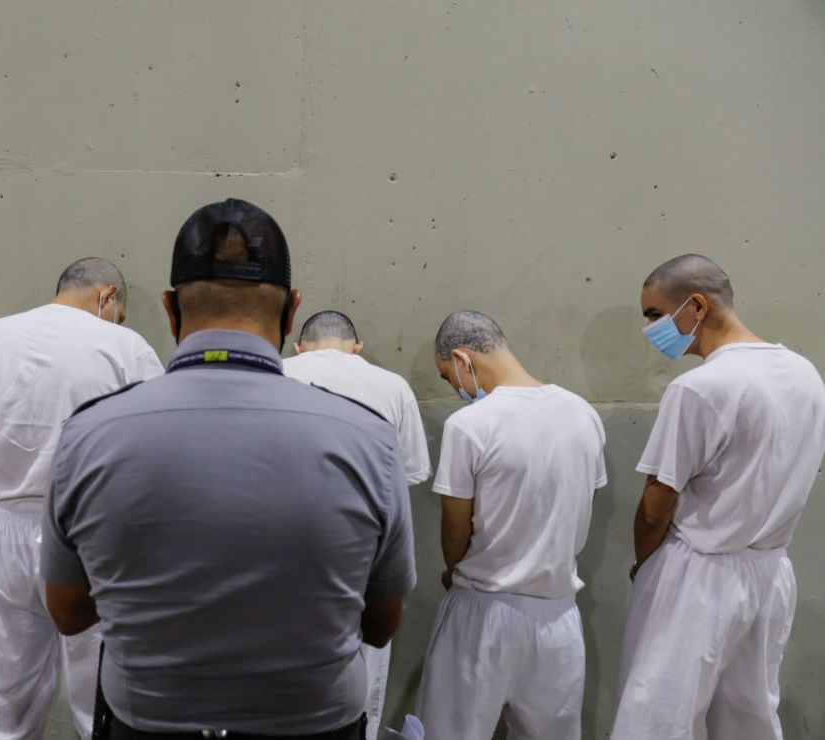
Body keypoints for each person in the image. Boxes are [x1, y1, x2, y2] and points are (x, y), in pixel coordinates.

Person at [41, 198, 416, 739]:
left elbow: (70, 614)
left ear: (170, 310)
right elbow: (381, 625)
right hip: (316, 725)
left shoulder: (91, 434)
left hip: (146, 725)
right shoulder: (368, 439)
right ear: (292, 313)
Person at [611, 254, 825, 740]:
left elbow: (656, 502)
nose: (649, 328)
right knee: (748, 718)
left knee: (656, 717)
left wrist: (646, 567)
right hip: (770, 571)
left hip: (699, 573)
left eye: (653, 314)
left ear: (697, 306)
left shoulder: (699, 388)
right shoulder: (806, 374)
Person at [0, 258, 163, 739]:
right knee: (102, 699)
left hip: (3, 525)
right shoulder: (125, 346)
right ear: (108, 297)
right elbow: (148, 452)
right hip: (92, 530)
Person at [418, 310, 606, 740]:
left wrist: (453, 570)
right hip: (557, 616)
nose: (454, 389)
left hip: (483, 611)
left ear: (463, 360)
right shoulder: (582, 414)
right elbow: (585, 500)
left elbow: (455, 529)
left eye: (447, 376)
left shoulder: (469, 425)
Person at [283, 309, 431, 738]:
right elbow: (407, 478)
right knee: (362, 688)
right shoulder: (392, 386)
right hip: (363, 563)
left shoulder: (273, 373)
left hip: (279, 560)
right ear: (357, 347)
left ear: (299, 345)